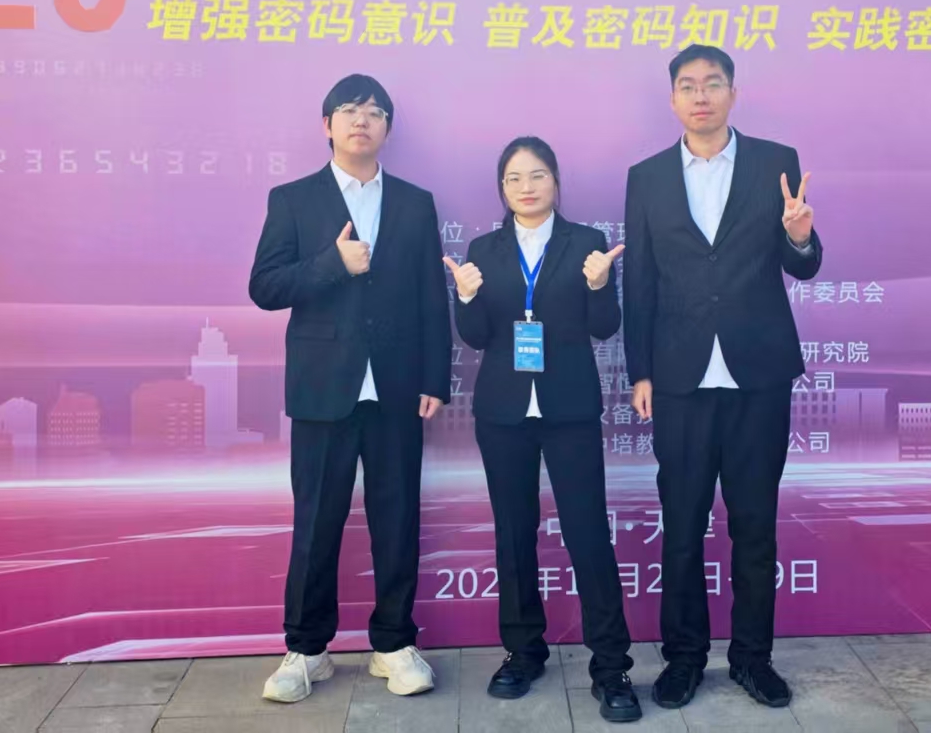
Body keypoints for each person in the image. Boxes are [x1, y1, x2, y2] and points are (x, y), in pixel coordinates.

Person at [622, 45, 821, 710]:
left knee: (754, 525)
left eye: (713, 83)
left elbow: (803, 264)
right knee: (681, 528)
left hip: (758, 374)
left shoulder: (775, 163)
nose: (701, 95)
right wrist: (641, 371)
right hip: (679, 376)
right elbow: (640, 281)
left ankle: (752, 659)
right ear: (673, 99)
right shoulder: (647, 177)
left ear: (734, 93)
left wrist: (799, 235)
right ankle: (683, 659)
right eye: (688, 85)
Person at [249, 74, 452, 703]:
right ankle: (307, 650)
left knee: (397, 517)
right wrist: (331, 265)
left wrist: (434, 377)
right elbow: (265, 287)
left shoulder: (415, 203)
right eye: (348, 110)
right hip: (322, 388)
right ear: (327, 126)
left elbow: (431, 297)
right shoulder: (293, 199)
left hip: (396, 389)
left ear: (387, 127)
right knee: (316, 522)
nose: (361, 120)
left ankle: (394, 644)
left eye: (373, 112)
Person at [445, 137, 642, 723]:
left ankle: (611, 667)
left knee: (588, 533)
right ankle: (523, 652)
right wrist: (465, 297)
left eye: (536, 175)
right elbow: (476, 336)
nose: (526, 187)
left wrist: (600, 286)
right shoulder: (483, 249)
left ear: (555, 181)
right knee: (513, 533)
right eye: (513, 178)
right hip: (503, 412)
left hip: (569, 409)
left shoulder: (587, 243)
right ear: (501, 188)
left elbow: (605, 328)